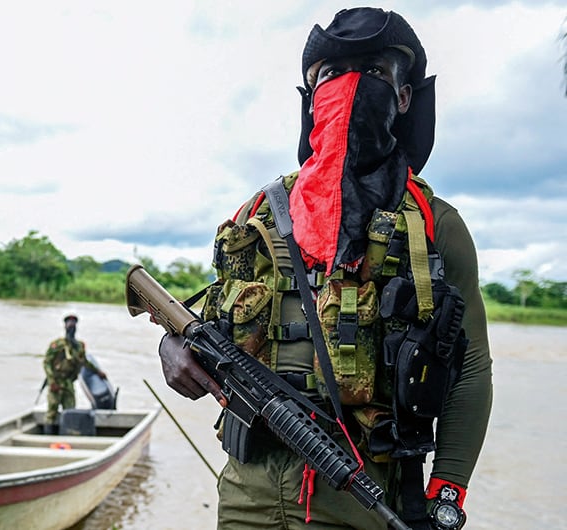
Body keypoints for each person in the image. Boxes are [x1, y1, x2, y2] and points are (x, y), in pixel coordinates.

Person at [157, 8, 492, 530]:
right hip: (248, 489)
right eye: (331, 75)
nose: (350, 88)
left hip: (365, 494)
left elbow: (471, 369)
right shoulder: (259, 216)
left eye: (375, 72)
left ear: (404, 98)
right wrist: (172, 347)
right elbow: (210, 321)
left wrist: (446, 492)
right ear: (311, 99)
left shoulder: (435, 226)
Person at [43, 314, 106, 434]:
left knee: (70, 412)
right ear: (65, 326)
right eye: (69, 323)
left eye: (73, 324)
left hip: (68, 383)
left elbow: (85, 362)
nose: (71, 326)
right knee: (51, 412)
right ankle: (48, 438)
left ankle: (67, 438)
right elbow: (47, 363)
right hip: (56, 383)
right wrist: (51, 381)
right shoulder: (57, 344)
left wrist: (98, 372)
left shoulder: (79, 346)